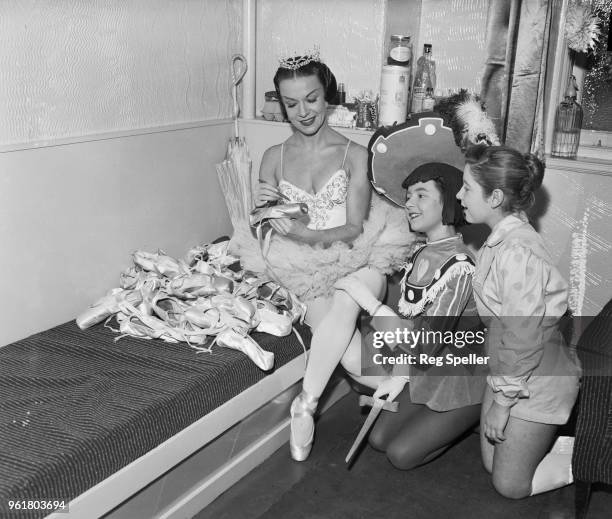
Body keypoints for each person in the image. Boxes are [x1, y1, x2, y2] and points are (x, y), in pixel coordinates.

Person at [234, 50, 414, 462]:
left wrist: (304, 230)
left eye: (311, 99)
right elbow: (263, 225)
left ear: (328, 96)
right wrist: (263, 208)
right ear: (280, 104)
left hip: (360, 254)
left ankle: (307, 403)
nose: (303, 111)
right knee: (349, 355)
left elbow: (353, 228)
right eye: (291, 103)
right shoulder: (272, 158)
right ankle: (407, 386)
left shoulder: (354, 154)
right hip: (302, 265)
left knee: (351, 295)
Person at [335, 162, 486, 470]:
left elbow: (425, 346)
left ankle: (474, 416)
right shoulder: (421, 253)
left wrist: (371, 304)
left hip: (463, 380)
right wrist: (401, 374)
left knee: (401, 456)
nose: (409, 203)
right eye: (407, 196)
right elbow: (414, 326)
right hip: (425, 372)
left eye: (421, 195)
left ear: (448, 203)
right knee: (377, 440)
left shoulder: (460, 266)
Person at [456, 145, 581, 498]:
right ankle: (535, 441)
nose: (459, 194)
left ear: (495, 197)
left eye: (466, 187)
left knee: (510, 485)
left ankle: (581, 453)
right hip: (511, 364)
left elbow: (523, 336)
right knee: (490, 464)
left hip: (539, 375)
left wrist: (502, 401)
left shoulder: (517, 253)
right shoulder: (502, 239)